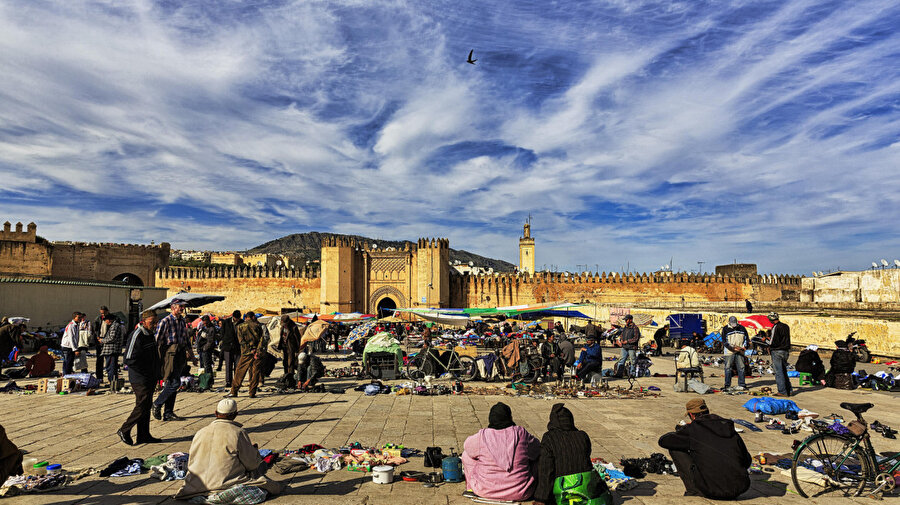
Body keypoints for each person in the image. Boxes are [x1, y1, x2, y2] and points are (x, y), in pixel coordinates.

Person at [174, 399, 283, 501]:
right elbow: (252, 465)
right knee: (273, 486)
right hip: (223, 485)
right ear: (235, 415)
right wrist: (253, 451)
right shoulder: (238, 433)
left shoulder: (200, 432)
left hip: (195, 485)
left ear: (216, 413)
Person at [658, 399, 751, 499]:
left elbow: (663, 440)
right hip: (739, 488)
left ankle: (693, 490)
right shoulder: (728, 428)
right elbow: (747, 461)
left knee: (675, 448)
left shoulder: (693, 430)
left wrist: (682, 431)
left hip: (710, 490)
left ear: (692, 415)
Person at [533, 404, 612, 505]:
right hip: (586, 486)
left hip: (564, 488)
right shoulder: (583, 435)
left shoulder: (549, 438)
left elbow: (546, 470)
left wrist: (541, 498)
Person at [461, 402, 540, 502]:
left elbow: (467, 447)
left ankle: (471, 488)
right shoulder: (521, 434)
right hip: (521, 492)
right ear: (510, 417)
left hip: (484, 490)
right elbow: (537, 449)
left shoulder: (482, 436)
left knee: (466, 455)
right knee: (537, 457)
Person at [118, 310, 161, 446]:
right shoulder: (138, 334)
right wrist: (145, 372)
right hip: (140, 377)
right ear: (143, 321)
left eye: (155, 322)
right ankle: (124, 429)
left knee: (147, 404)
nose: (154, 325)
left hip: (151, 376)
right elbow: (129, 358)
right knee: (142, 404)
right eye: (152, 322)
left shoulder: (150, 335)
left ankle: (143, 435)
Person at [153, 299, 197, 421]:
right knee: (174, 383)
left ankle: (168, 412)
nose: (182, 309)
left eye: (183, 307)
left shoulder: (182, 322)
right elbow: (157, 341)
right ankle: (157, 403)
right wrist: (157, 358)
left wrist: (192, 357)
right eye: (180, 307)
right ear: (173, 307)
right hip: (170, 355)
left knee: (174, 382)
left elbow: (187, 341)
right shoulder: (165, 321)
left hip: (180, 354)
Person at [227, 312, 265, 398]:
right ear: (252, 317)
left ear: (246, 317)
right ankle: (252, 392)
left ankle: (234, 391)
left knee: (239, 372)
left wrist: (251, 350)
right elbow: (262, 339)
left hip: (246, 353)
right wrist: (257, 351)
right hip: (257, 353)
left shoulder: (240, 326)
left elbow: (241, 341)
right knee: (255, 372)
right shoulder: (258, 326)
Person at [721, 316, 749, 391]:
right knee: (728, 368)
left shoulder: (742, 328)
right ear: (729, 322)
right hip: (729, 352)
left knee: (741, 368)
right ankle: (727, 385)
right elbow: (725, 341)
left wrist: (744, 346)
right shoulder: (725, 329)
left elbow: (746, 339)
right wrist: (732, 348)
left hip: (740, 351)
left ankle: (742, 384)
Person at [767, 312, 792, 397]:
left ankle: (782, 391)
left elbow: (772, 342)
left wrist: (766, 340)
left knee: (778, 372)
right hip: (785, 351)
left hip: (777, 351)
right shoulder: (785, 326)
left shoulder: (775, 327)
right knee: (784, 371)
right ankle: (789, 390)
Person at [98, 312, 124, 384]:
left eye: (105, 320)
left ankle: (112, 382)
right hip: (111, 350)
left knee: (111, 367)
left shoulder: (115, 326)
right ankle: (113, 381)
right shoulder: (115, 325)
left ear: (109, 320)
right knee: (112, 366)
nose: (105, 322)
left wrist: (102, 340)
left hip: (111, 350)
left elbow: (112, 338)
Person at [219, 310, 242, 387]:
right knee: (228, 365)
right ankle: (228, 381)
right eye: (236, 318)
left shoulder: (242, 322)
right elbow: (222, 332)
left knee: (237, 365)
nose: (237, 320)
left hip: (238, 347)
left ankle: (236, 381)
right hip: (227, 346)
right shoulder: (226, 322)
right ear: (233, 317)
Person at [279, 315, 302, 381]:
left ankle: (291, 377)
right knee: (285, 362)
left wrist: (297, 349)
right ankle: (286, 375)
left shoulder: (294, 327)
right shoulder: (282, 327)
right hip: (284, 347)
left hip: (291, 347)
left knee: (290, 362)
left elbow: (298, 339)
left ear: (288, 321)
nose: (284, 324)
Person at [92, 306, 111, 381]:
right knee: (99, 360)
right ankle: (99, 377)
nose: (103, 315)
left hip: (108, 341)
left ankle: (110, 377)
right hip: (99, 340)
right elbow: (95, 329)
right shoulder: (98, 319)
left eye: (104, 313)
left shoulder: (111, 319)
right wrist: (97, 337)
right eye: (102, 313)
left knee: (109, 360)